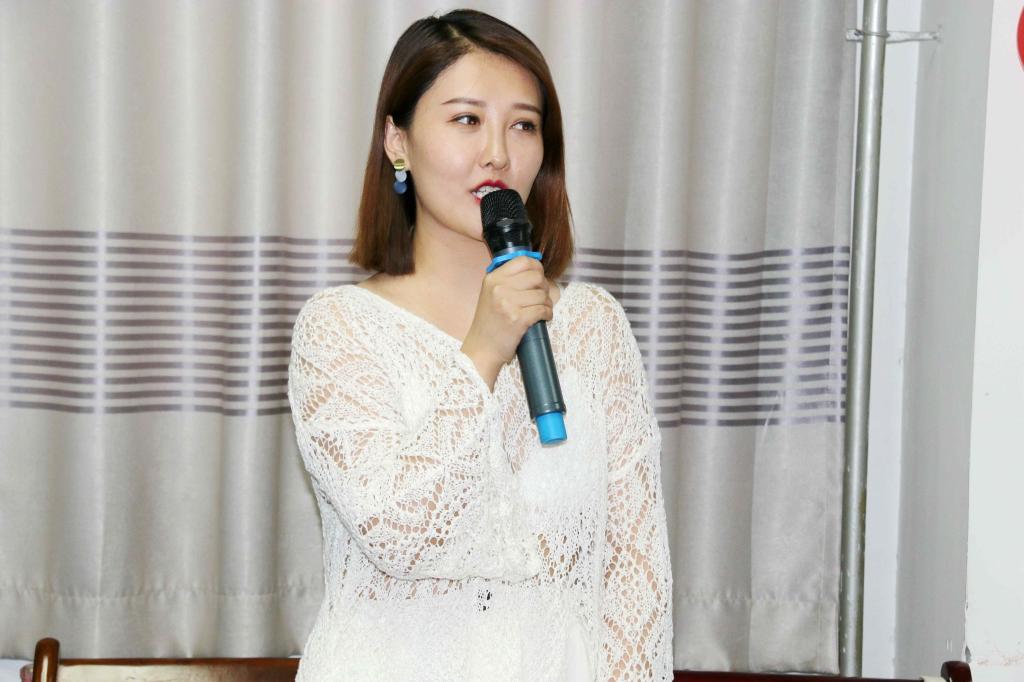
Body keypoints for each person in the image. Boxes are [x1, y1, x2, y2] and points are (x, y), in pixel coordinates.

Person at [287, 9, 672, 681]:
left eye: (523, 125)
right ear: (398, 141)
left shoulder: (594, 325)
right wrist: (483, 352)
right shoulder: (338, 329)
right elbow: (401, 534)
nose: (498, 152)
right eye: (467, 119)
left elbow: (635, 574)